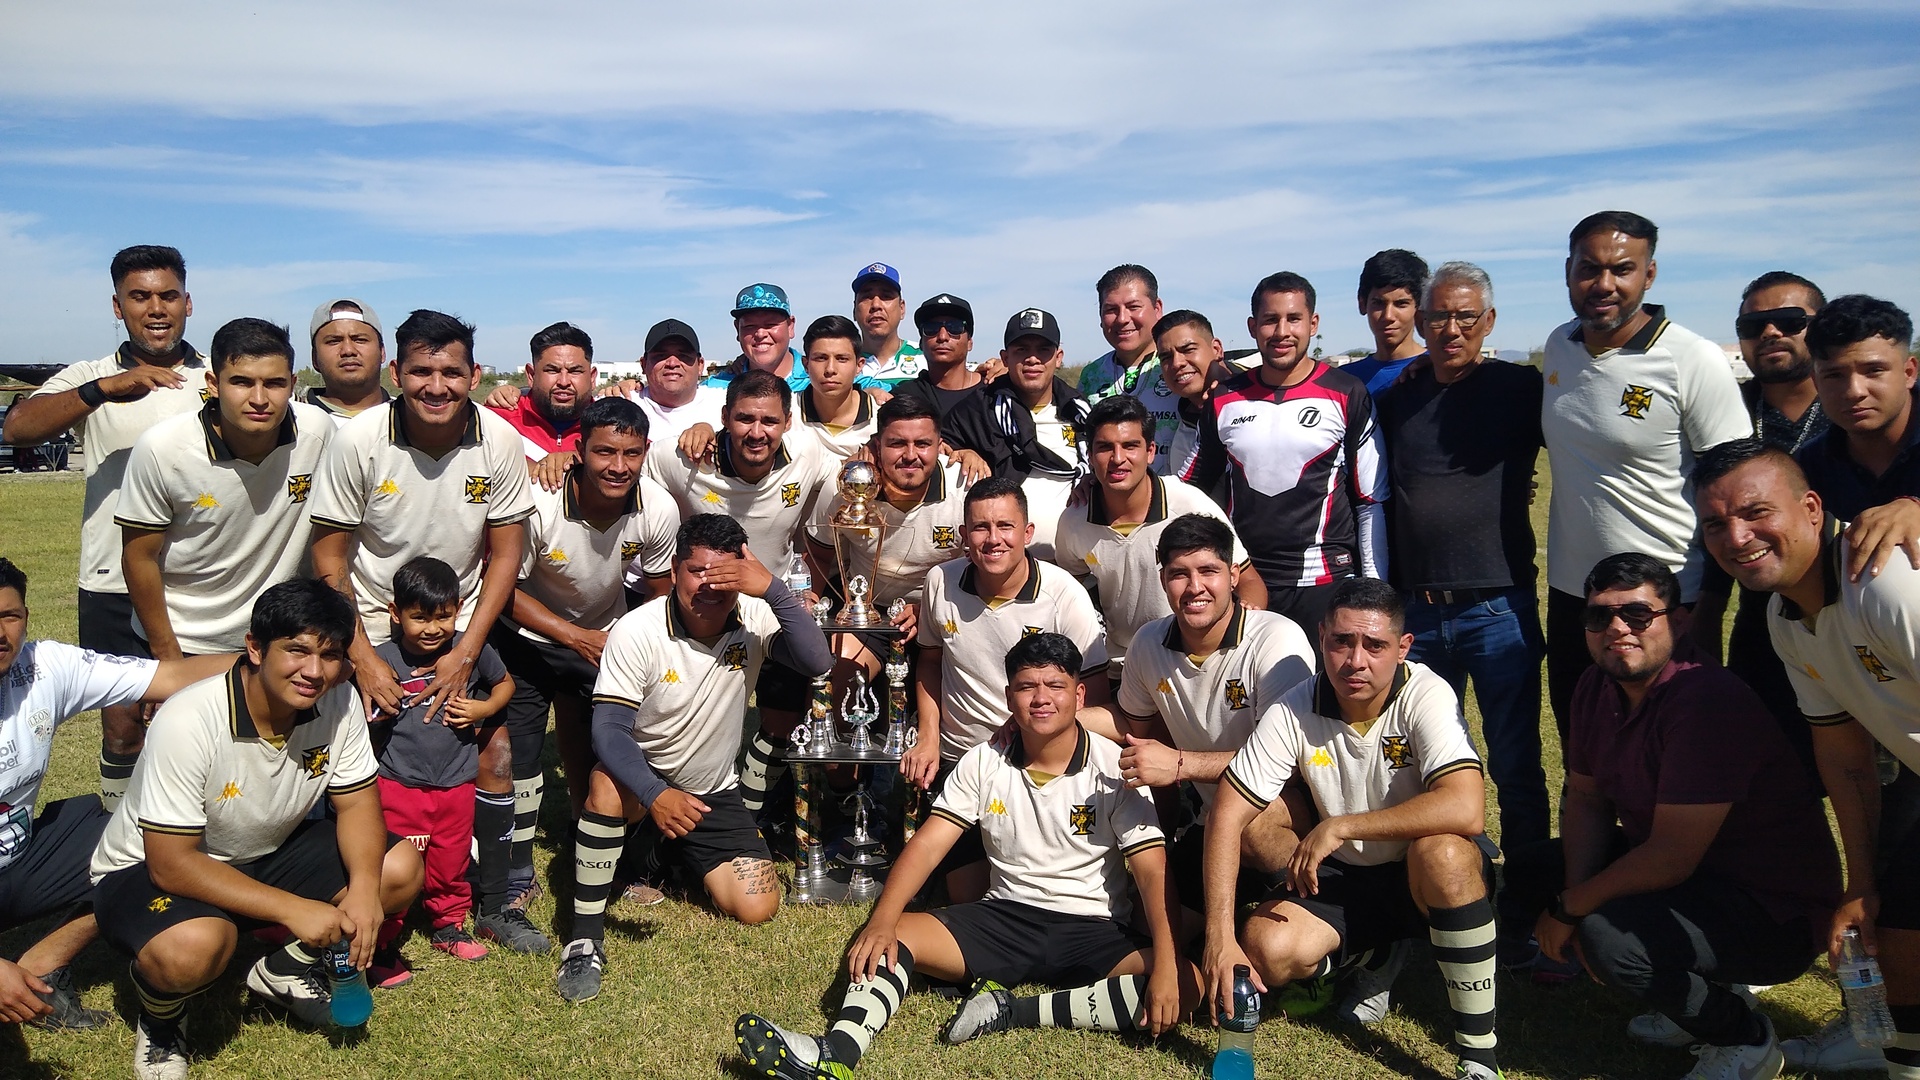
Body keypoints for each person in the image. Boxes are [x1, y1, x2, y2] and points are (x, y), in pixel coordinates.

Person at [733, 633, 1199, 1080]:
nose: (1041, 698)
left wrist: (1167, 960)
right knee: (898, 933)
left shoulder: (1114, 766)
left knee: (1187, 982)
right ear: (1009, 697)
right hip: (1005, 917)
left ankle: (1014, 1010)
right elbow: (927, 846)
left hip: (1092, 928)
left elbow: (1151, 871)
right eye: (1026, 687)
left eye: (1055, 686)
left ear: (1079, 695)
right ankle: (837, 1052)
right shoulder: (984, 760)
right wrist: (881, 921)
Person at [1500, 553, 1839, 1079]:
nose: (1617, 629)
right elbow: (1587, 799)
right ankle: (1691, 991)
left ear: (1678, 622)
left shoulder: (1704, 699)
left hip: (1774, 912)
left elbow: (1671, 858)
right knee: (1531, 869)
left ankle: (1744, 1038)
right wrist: (1574, 893)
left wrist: (1572, 910)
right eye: (1599, 616)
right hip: (1695, 878)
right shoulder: (1595, 686)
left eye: (1638, 614)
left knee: (1610, 940)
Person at [88, 579, 424, 1080]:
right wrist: (293, 909)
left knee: (397, 870)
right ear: (255, 648)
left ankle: (283, 969)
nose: (314, 672)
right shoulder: (189, 718)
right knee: (193, 947)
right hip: (149, 870)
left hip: (262, 851)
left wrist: (362, 891)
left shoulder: (339, 701)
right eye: (297, 650)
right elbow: (171, 864)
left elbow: (357, 804)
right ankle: (161, 1023)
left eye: (331, 655)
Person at [307, 309, 540, 953]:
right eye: (421, 371)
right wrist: (362, 657)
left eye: (451, 372)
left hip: (456, 625)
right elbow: (329, 555)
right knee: (354, 758)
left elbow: (505, 554)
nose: (436, 386)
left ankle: (494, 898)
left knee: (492, 752)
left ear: (474, 374)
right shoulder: (358, 440)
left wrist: (467, 649)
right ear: (396, 372)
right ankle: (357, 893)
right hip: (370, 623)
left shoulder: (498, 440)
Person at [1203, 578, 1502, 1079]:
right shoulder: (1295, 705)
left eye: (1375, 645)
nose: (1355, 660)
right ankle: (1374, 953)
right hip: (1348, 877)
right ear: (1322, 637)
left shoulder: (1425, 693)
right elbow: (1227, 813)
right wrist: (1218, 937)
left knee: (1445, 854)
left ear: (1403, 648)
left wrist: (1342, 826)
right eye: (1342, 641)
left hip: (1419, 871)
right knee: (1266, 949)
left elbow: (1467, 807)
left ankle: (1479, 1056)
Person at [1695, 448, 1920, 1072]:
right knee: (1897, 942)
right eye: (1715, 524)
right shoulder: (1784, 618)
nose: (1737, 537)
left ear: (1813, 509)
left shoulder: (1887, 583)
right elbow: (1845, 756)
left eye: (1756, 512)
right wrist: (1861, 883)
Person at [556, 514, 833, 1002]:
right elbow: (608, 731)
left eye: (725, 574)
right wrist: (655, 794)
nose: (710, 585)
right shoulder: (636, 629)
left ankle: (663, 856)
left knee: (758, 904)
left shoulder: (754, 615)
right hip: (641, 780)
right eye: (698, 571)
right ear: (675, 570)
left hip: (712, 790)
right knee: (604, 786)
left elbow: (818, 662)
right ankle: (584, 939)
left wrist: (773, 589)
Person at [2, 245, 208, 809]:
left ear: (188, 302)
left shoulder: (216, 376)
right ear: (118, 307)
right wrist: (102, 392)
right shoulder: (91, 376)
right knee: (123, 728)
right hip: (113, 583)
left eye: (168, 296)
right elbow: (18, 427)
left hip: (200, 582)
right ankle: (120, 841)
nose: (156, 309)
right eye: (139, 297)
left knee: (204, 722)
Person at [0, 557, 231, 1033]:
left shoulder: (42, 667)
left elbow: (170, 678)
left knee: (151, 839)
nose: (0, 634)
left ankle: (45, 963)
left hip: (16, 859)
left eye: (9, 616)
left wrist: (277, 660)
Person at [1540, 211, 1749, 735]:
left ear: (1649, 275)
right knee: (1584, 746)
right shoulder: (1560, 346)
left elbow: (1733, 491)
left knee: (1671, 751)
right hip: (1574, 597)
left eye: (1622, 269)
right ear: (1568, 272)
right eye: (1589, 268)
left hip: (1663, 599)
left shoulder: (1692, 358)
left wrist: (1709, 606)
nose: (1604, 284)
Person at [1373, 261, 1551, 852]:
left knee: (1514, 761)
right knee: (1423, 762)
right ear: (1421, 322)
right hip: (1418, 613)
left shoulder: (1521, 389)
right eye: (1439, 317)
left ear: (1489, 320)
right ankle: (1449, 876)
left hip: (1498, 609)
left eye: (1466, 317)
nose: (1452, 329)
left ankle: (1528, 886)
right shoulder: (1399, 396)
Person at [495, 396, 678, 907]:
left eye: (631, 453)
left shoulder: (658, 507)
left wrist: (637, 646)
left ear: (645, 453)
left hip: (601, 639)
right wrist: (572, 636)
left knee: (604, 750)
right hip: (525, 636)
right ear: (578, 451)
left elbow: (658, 591)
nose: (619, 466)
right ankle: (516, 873)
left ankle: (601, 853)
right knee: (519, 758)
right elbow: (502, 588)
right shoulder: (538, 500)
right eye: (604, 452)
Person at [1098, 515, 1315, 930]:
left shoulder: (1275, 640)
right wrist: (1053, 716)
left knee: (1252, 826)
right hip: (1215, 819)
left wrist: (1179, 764)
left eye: (1208, 571)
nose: (1194, 587)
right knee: (1149, 924)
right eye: (1179, 574)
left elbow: (1286, 766)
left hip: (1290, 806)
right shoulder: (1148, 642)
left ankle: (1326, 916)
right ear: (1163, 580)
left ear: (1233, 576)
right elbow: (1129, 720)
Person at [644, 369, 836, 818]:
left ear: (788, 422)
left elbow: (848, 481)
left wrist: (803, 589)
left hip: (771, 603)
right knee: (686, 722)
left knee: (782, 720)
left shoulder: (809, 452)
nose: (757, 432)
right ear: (725, 417)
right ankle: (669, 807)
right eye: (745, 419)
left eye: (769, 421)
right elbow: (634, 484)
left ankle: (749, 815)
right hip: (704, 607)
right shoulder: (680, 457)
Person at [911, 478, 1109, 899]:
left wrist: (1026, 728)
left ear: (1028, 532)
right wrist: (928, 737)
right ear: (964, 535)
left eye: (1005, 526)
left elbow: (1092, 695)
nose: (993, 539)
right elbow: (929, 660)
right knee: (964, 898)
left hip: (1037, 762)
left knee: (1032, 891)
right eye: (980, 527)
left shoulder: (1063, 594)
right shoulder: (940, 581)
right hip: (962, 760)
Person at [117, 317, 333, 661]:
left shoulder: (318, 432)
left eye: (274, 383)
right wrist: (167, 653)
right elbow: (138, 557)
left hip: (278, 638)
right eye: (241, 382)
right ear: (213, 384)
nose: (259, 399)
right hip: (186, 640)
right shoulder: (163, 449)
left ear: (293, 384)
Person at [1192, 271, 1388, 632]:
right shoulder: (1223, 398)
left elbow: (1370, 501)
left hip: (1325, 582)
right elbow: (1191, 489)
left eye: (1293, 318)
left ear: (1313, 324)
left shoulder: (1348, 392)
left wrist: (1375, 591)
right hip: (1247, 581)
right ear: (1253, 327)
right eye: (1270, 320)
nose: (1282, 331)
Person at [1693, 271, 1832, 775]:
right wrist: (1708, 615)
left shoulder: (1855, 401)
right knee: (1777, 776)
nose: (1770, 333)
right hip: (1764, 620)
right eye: (1753, 326)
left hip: (1867, 607)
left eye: (1790, 321)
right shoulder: (1724, 409)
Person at [370, 557, 518, 966]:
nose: (432, 628)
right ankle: (384, 936)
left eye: (443, 616)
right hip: (399, 784)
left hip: (457, 783)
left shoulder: (470, 651)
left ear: (459, 609)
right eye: (419, 618)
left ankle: (448, 925)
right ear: (395, 613)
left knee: (451, 859)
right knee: (395, 861)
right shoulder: (383, 660)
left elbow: (505, 684)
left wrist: (483, 709)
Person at [1055, 395, 1264, 681]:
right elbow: (1070, 592)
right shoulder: (1075, 520)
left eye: (1130, 446)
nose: (1118, 459)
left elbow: (1249, 581)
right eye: (1105, 448)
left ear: (1150, 451)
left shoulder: (1189, 504)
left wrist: (1243, 630)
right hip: (1119, 665)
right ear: (1090, 455)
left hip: (1192, 663)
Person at [942, 308, 1089, 561]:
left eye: (1043, 350)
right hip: (1001, 565)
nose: (1032, 359)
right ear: (1005, 358)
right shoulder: (976, 410)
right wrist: (961, 452)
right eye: (1022, 350)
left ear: (1058, 357)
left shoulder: (1081, 412)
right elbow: (935, 447)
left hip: (1079, 567)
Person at [1149, 309, 1239, 482]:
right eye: (1166, 357)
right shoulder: (1183, 443)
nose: (1177, 363)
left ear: (1216, 349)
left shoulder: (1264, 387)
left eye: (1188, 349)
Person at [489, 321, 596, 462]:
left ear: (592, 377)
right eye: (552, 370)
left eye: (575, 371)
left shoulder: (614, 424)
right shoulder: (495, 421)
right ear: (531, 375)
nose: (564, 382)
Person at [889, 294, 986, 435]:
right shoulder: (904, 396)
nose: (942, 336)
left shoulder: (993, 393)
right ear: (921, 343)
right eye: (931, 328)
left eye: (954, 327)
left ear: (970, 342)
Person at [1341, 249, 1430, 397]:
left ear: (1419, 307)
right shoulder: (1342, 381)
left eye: (1401, 304)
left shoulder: (1441, 371)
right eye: (1378, 303)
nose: (1388, 316)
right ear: (1362, 304)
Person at [626, 318, 726, 445]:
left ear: (700, 365)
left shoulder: (727, 402)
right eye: (661, 356)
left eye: (683, 356)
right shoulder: (621, 405)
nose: (672, 363)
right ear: (644, 364)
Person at [304, 299, 390, 426]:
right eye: (334, 341)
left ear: (382, 352)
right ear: (314, 357)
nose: (348, 350)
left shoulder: (410, 420)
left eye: (360, 340)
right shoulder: (291, 422)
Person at [851, 262, 926, 388]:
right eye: (866, 297)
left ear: (902, 308)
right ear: (854, 310)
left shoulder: (927, 358)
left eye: (886, 296)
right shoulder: (841, 364)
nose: (876, 305)